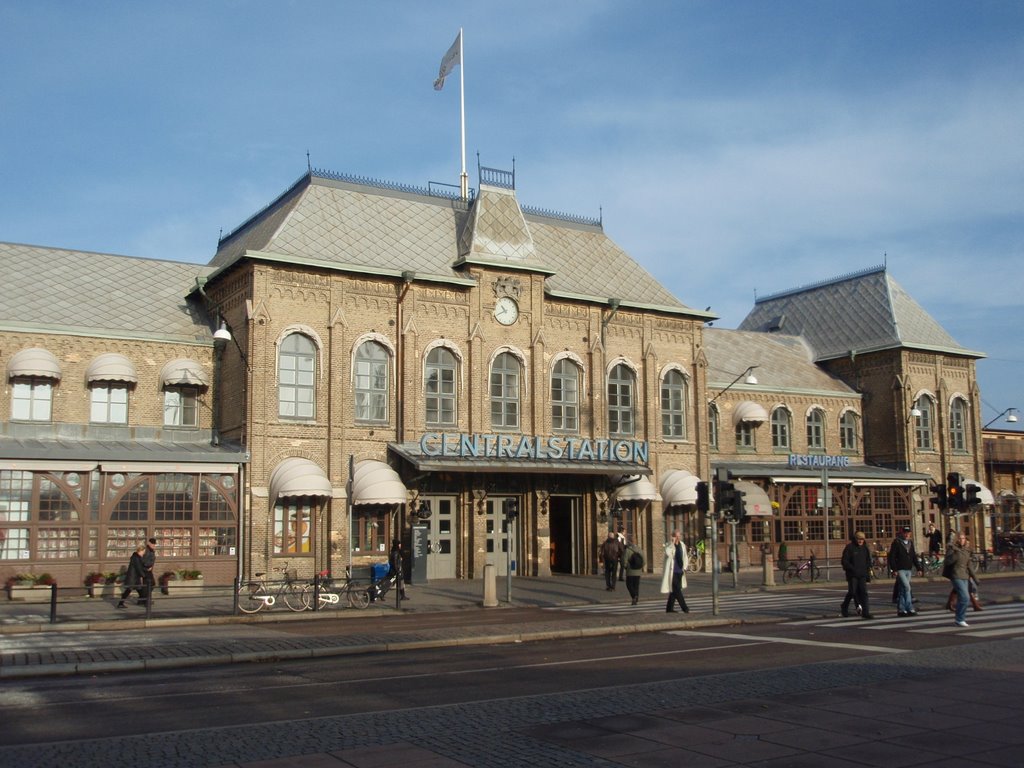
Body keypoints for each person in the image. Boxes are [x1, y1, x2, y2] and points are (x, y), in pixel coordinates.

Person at [944, 531, 978, 627]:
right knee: (965, 597)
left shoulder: (966, 550)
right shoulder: (952, 549)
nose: (961, 540)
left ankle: (960, 618)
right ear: (956, 539)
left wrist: (975, 578)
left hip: (965, 576)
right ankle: (959, 619)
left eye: (963, 538)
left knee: (964, 598)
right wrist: (955, 555)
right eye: (959, 538)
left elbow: (969, 565)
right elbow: (947, 562)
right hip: (956, 575)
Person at [887, 526, 922, 617]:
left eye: (908, 533)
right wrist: (894, 569)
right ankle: (909, 607)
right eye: (905, 533)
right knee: (907, 588)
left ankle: (902, 609)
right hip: (900, 569)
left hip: (908, 569)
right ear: (902, 533)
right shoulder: (897, 543)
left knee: (903, 590)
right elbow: (892, 557)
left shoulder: (910, 543)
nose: (906, 535)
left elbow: (913, 556)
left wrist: (918, 568)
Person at [840, 531, 874, 619]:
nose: (860, 541)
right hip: (852, 575)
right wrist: (852, 568)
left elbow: (868, 560)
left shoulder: (865, 548)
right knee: (852, 592)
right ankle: (844, 606)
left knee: (864, 593)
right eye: (859, 539)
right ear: (855, 539)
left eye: (862, 539)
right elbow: (844, 561)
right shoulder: (850, 547)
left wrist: (868, 570)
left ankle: (866, 612)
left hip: (862, 574)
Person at [661, 530, 689, 613]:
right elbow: (668, 553)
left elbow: (685, 557)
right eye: (676, 536)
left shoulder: (682, 545)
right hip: (672, 572)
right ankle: (685, 608)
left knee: (674, 590)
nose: (678, 538)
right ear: (672, 536)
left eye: (679, 536)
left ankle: (669, 609)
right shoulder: (668, 545)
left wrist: (685, 567)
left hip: (680, 571)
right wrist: (672, 543)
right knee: (677, 590)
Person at [116, 544, 147, 609]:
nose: (144, 553)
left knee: (139, 590)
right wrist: (144, 575)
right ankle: (120, 603)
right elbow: (138, 568)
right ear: (141, 550)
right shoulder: (136, 558)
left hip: (135, 577)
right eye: (144, 551)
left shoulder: (137, 557)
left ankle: (144, 602)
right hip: (133, 578)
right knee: (129, 590)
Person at [622, 538, 645, 605]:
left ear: (630, 542)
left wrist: (626, 567)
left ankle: (634, 596)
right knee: (636, 585)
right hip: (638, 571)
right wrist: (640, 567)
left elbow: (624, 560)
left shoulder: (627, 550)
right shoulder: (640, 550)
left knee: (629, 584)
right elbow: (644, 560)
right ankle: (636, 598)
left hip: (630, 571)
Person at [140, 537, 157, 605]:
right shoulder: (147, 550)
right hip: (146, 570)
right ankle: (146, 600)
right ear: (149, 543)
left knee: (148, 585)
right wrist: (148, 566)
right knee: (150, 584)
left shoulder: (151, 550)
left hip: (148, 570)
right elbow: (144, 560)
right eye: (153, 544)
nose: (154, 546)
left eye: (154, 544)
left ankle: (143, 599)